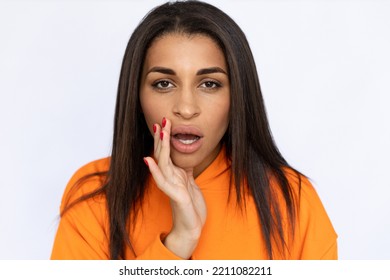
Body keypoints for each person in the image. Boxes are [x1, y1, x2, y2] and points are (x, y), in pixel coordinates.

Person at [51, 0, 337, 260]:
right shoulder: (96, 193)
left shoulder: (293, 200)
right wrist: (179, 241)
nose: (186, 108)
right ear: (136, 96)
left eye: (209, 84)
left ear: (237, 96)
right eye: (163, 83)